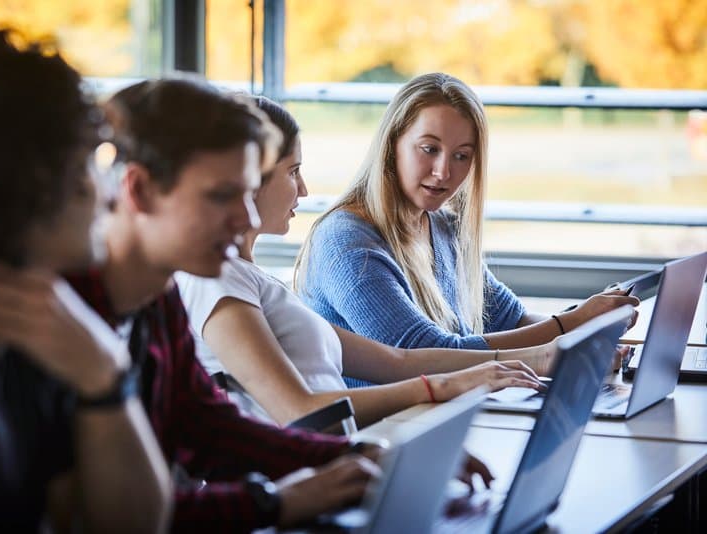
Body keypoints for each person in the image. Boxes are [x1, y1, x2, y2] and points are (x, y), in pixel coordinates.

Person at [67, 76, 403, 532]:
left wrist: (359, 456)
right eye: (222, 196)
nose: (246, 219)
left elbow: (209, 427)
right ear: (139, 191)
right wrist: (276, 502)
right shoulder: (65, 314)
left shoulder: (157, 299)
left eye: (248, 194)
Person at [0, 31, 170, 531]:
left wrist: (105, 376)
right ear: (26, 176)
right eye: (92, 160)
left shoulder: (41, 319)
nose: (109, 192)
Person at [176, 96, 548, 427]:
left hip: (341, 463)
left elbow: (396, 361)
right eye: (293, 172)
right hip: (310, 481)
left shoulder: (254, 281)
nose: (303, 189)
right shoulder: (217, 280)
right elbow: (299, 411)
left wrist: (524, 361)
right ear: (248, 180)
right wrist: (441, 387)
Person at [295, 73, 639, 365]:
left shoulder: (443, 227)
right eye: (429, 149)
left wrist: (585, 339)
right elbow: (428, 355)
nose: (444, 171)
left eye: (462, 156)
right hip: (377, 433)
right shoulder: (346, 243)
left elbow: (512, 319)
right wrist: (570, 325)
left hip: (439, 418)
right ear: (392, 144)